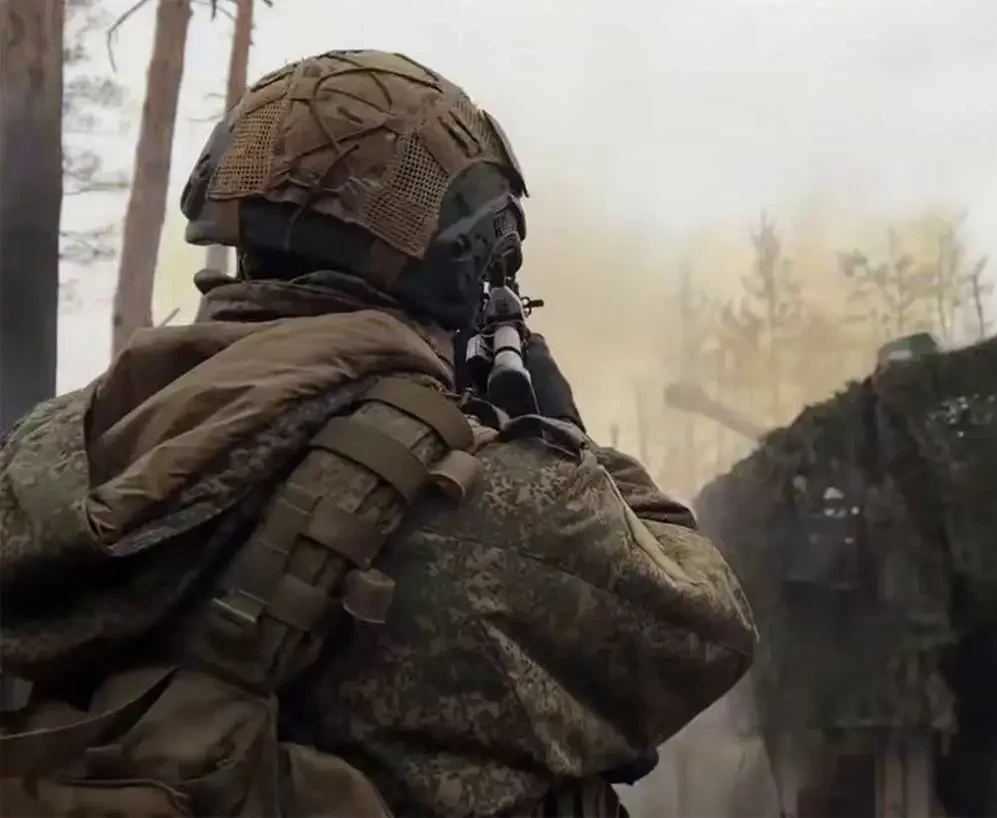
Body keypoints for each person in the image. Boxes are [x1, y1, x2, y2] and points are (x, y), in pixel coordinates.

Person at [0, 50, 755, 818]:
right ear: (457, 265)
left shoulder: (43, 455)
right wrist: (563, 438)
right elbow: (706, 631)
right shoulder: (516, 512)